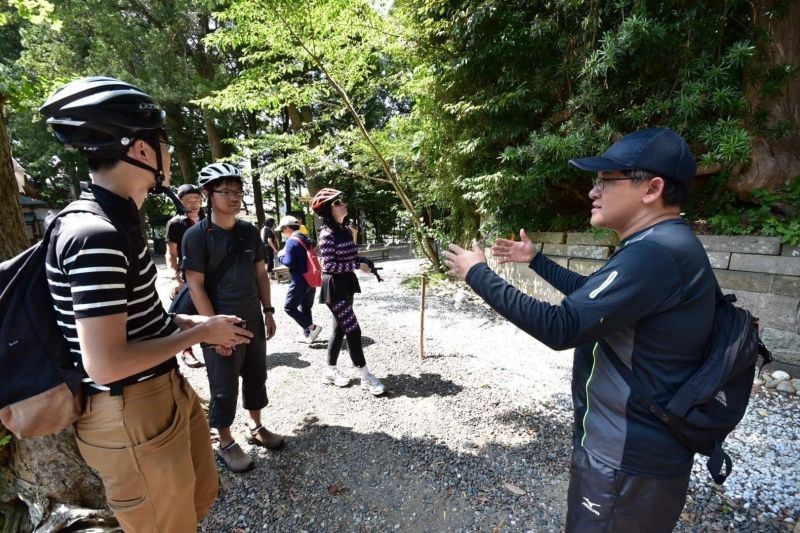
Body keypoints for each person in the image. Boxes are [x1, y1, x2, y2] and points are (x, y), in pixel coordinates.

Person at [444, 128, 716, 532]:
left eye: (607, 180)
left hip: (628, 459)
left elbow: (562, 326)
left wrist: (478, 274)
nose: (594, 191)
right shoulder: (659, 244)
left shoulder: (657, 253)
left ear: (653, 188)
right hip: (629, 452)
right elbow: (593, 300)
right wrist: (536, 261)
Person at [40, 77, 253, 532]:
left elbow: (130, 317)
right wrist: (198, 334)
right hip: (127, 409)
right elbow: (105, 363)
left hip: (158, 393)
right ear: (139, 150)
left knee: (195, 502)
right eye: (163, 142)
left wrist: (185, 320)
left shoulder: (117, 219)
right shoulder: (94, 233)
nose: (169, 154)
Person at [182, 162, 284, 473]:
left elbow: (261, 275)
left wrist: (268, 311)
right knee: (223, 384)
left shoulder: (249, 231)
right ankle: (225, 441)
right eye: (225, 191)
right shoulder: (196, 236)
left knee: (256, 375)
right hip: (219, 319)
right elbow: (195, 285)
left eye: (238, 191)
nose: (234, 197)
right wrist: (213, 329)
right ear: (208, 194)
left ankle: (256, 427)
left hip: (253, 315)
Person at [311, 188, 385, 395]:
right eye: (337, 203)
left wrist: (363, 261)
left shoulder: (345, 230)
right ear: (327, 210)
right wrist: (355, 266)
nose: (342, 204)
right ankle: (365, 376)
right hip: (334, 288)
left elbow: (350, 257)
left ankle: (329, 371)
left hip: (347, 285)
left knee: (339, 330)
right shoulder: (326, 234)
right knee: (353, 329)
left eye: (341, 201)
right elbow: (329, 266)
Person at [166, 183, 206, 368]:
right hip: (188, 274)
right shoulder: (176, 223)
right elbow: (171, 253)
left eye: (197, 199)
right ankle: (187, 351)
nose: (193, 204)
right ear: (180, 202)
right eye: (188, 200)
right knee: (185, 313)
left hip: (210, 273)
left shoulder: (208, 219)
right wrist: (176, 278)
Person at [276, 215, 323, 343]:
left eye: (282, 230)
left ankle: (312, 328)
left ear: (287, 228)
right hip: (311, 279)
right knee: (305, 307)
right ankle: (308, 334)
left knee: (289, 307)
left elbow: (289, 262)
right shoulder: (305, 239)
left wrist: (280, 256)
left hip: (299, 280)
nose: (282, 233)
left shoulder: (292, 241)